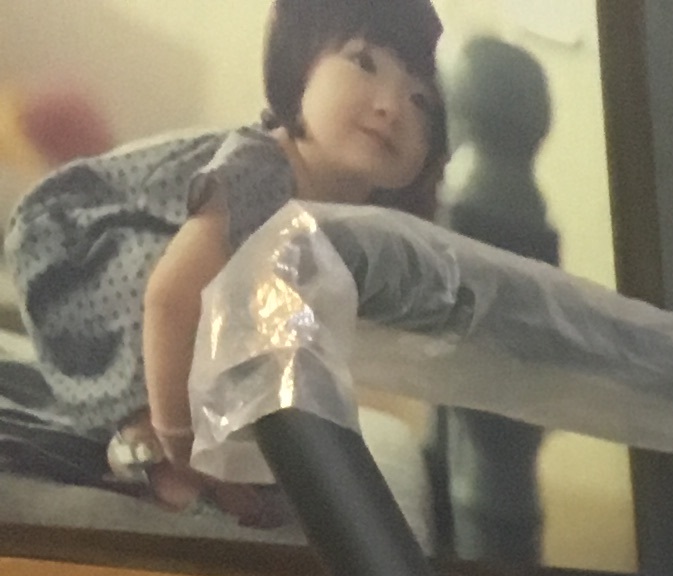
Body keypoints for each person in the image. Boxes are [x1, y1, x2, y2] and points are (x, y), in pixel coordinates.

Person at [1, 8, 443, 514]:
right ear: (301, 65)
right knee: (205, 295)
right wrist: (182, 438)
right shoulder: (264, 166)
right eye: (364, 62)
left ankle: (186, 439)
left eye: (422, 101)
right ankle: (155, 442)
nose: (391, 107)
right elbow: (170, 297)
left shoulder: (351, 224)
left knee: (276, 319)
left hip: (160, 272)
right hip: (75, 243)